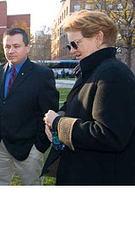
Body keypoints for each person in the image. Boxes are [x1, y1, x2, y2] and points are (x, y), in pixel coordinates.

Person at [42, 10, 135, 185]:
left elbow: (109, 135)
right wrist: (59, 115)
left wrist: (58, 123)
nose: (71, 51)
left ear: (98, 38)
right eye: (69, 46)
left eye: (75, 44)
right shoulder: (93, 70)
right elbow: (75, 104)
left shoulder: (112, 73)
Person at [0, 28, 59, 185]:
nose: (11, 51)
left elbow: (49, 111)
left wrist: (39, 146)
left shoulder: (42, 74)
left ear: (27, 47)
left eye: (16, 46)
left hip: (29, 148)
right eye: (7, 46)